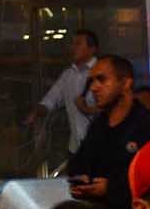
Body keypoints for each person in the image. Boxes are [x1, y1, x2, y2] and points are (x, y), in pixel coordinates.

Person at [65, 56, 150, 209]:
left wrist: (113, 188)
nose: (94, 88)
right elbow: (77, 164)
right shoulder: (98, 126)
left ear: (125, 84)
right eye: (91, 81)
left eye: (101, 80)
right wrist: (80, 180)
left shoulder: (148, 127)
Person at [22, 29, 98, 171]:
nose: (73, 48)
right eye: (72, 44)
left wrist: (88, 110)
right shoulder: (68, 75)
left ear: (92, 49)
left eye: (78, 44)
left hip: (100, 145)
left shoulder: (101, 71)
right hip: (76, 147)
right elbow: (51, 99)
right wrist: (37, 111)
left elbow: (113, 107)